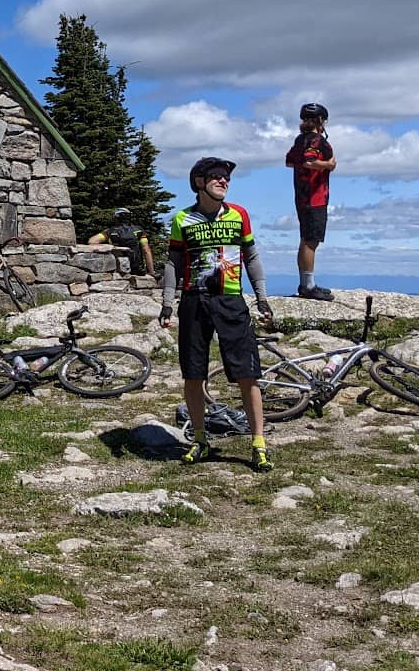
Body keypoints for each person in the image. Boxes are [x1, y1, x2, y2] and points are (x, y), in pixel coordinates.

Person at [159, 157, 277, 472]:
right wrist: (167, 303)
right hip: (195, 301)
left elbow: (251, 256)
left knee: (247, 373)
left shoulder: (239, 215)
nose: (223, 181)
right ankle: (200, 440)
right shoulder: (183, 219)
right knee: (193, 374)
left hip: (231, 300)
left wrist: (262, 299)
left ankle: (258, 443)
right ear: (199, 182)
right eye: (216, 177)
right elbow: (172, 263)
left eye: (226, 178)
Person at [285, 101, 336, 301]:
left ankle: (307, 283)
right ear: (321, 120)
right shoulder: (316, 140)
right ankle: (308, 286)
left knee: (305, 239)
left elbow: (290, 161)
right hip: (315, 197)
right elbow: (309, 160)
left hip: (301, 195)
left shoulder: (300, 139)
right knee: (311, 240)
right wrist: (328, 165)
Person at [87, 208, 155, 276]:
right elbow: (146, 250)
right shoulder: (138, 230)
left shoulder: (109, 231)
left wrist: (108, 247)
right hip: (137, 269)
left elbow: (91, 241)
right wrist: (151, 271)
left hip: (117, 269)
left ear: (116, 218)